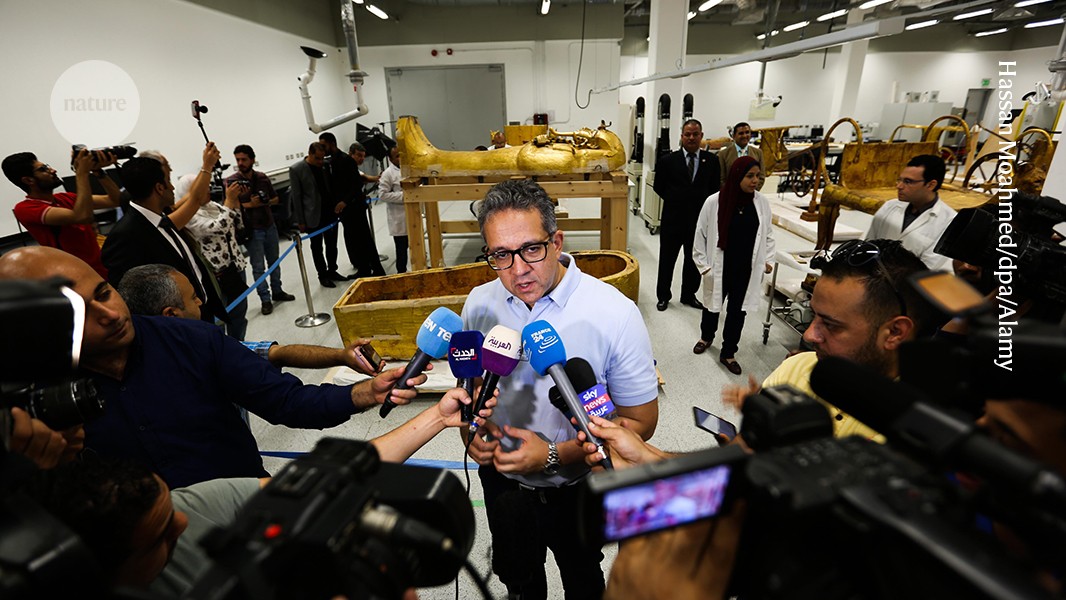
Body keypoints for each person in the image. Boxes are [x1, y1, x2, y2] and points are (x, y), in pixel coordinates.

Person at [23, 372, 489, 598]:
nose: (182, 523)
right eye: (161, 536)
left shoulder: (193, 504)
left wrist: (436, 417)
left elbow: (331, 481)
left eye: (170, 508)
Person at [0, 246, 433, 489]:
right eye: (79, 312)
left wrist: (366, 392)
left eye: (104, 292)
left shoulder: (192, 339)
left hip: (248, 512)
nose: (110, 314)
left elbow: (286, 400)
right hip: (144, 552)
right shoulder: (29, 396)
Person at [461, 179, 659, 599]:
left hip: (580, 486)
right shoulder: (478, 302)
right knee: (520, 581)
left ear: (556, 241)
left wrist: (554, 454)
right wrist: (471, 433)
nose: (518, 270)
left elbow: (641, 421)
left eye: (531, 249)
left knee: (583, 578)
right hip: (504, 486)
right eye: (500, 255)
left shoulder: (614, 313)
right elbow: (474, 389)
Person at [722, 238, 937, 440]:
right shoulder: (796, 368)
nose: (808, 335)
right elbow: (749, 443)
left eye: (831, 324)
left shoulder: (918, 435)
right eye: (813, 315)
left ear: (895, 332)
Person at [117, 264, 383, 374]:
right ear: (171, 314)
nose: (200, 302)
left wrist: (341, 356)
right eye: (193, 298)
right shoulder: (167, 370)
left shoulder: (208, 343)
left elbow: (275, 353)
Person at [101, 145, 229, 325]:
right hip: (178, 327)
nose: (172, 187)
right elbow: (129, 298)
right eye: (168, 180)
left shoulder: (162, 219)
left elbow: (195, 198)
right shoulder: (126, 236)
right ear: (159, 188)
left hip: (201, 313)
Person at [691, 156, 775, 375]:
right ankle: (706, 337)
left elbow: (768, 234)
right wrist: (704, 266)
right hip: (720, 266)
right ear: (737, 176)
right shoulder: (714, 202)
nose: (755, 180)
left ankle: (728, 352)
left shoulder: (761, 203)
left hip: (746, 270)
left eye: (757, 176)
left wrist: (768, 260)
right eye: (750, 176)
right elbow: (700, 234)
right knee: (711, 306)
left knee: (738, 312)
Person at [157, 156, 248, 340]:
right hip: (216, 274)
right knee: (220, 320)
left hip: (235, 267)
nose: (208, 190)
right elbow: (218, 227)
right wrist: (229, 201)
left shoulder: (213, 206)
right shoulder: (188, 215)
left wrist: (235, 202)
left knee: (239, 315)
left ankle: (240, 345)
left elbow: (237, 223)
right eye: (203, 187)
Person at [4, 148, 121, 278]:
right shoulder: (25, 208)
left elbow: (115, 200)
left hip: (103, 266)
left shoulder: (64, 198)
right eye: (43, 169)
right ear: (28, 180)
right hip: (79, 276)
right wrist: (81, 173)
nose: (53, 170)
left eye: (47, 166)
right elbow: (82, 216)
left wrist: (98, 172)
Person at [652, 119, 720, 312]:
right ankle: (663, 296)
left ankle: (688, 295)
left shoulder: (711, 161)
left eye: (695, 134)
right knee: (667, 260)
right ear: (681, 136)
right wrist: (676, 199)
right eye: (687, 134)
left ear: (701, 136)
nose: (691, 137)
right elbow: (658, 186)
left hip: (699, 222)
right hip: (673, 219)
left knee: (694, 261)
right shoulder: (667, 161)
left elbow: (715, 189)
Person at [224, 144, 295, 315]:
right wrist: (250, 204)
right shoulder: (232, 182)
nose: (240, 163)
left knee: (274, 262)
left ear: (252, 160)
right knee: (258, 267)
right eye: (237, 160)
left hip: (269, 225)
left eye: (244, 159)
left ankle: (277, 291)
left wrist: (265, 201)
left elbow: (276, 198)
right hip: (252, 229)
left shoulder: (262, 177)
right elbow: (229, 206)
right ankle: (265, 299)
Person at [865, 154, 957, 271]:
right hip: (871, 275)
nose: (899, 186)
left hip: (911, 282)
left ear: (931, 185)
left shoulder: (949, 221)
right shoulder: (889, 206)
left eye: (908, 182)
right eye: (900, 180)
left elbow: (927, 269)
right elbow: (868, 247)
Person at [320, 134, 384, 280]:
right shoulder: (332, 161)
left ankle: (376, 270)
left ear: (331, 143)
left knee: (364, 239)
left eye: (324, 145)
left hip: (354, 207)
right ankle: (364, 268)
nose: (322, 149)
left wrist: (344, 201)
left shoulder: (345, 160)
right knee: (355, 241)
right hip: (347, 209)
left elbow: (356, 184)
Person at [289, 142, 344, 288]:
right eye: (317, 158)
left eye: (322, 158)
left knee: (332, 244)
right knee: (317, 247)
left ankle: (332, 270)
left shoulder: (325, 165)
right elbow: (296, 197)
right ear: (310, 154)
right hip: (312, 215)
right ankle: (323, 275)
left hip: (330, 212)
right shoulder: (296, 169)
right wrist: (301, 221)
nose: (320, 161)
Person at [378, 146, 408, 273]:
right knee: (401, 251)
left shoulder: (409, 169)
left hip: (413, 216)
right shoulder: (388, 174)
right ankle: (401, 273)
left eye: (401, 155)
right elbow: (382, 195)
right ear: (390, 159)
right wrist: (404, 196)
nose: (400, 158)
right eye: (397, 156)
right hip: (398, 218)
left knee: (417, 247)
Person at [716, 122, 764, 189]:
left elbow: (761, 176)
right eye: (741, 133)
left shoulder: (758, 152)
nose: (745, 136)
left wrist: (752, 190)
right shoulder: (723, 154)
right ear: (734, 136)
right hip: (730, 193)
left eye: (747, 132)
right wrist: (729, 192)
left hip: (751, 192)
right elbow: (721, 178)